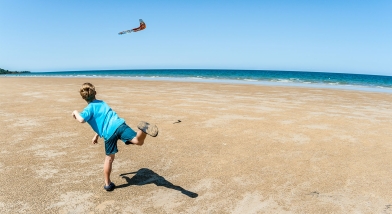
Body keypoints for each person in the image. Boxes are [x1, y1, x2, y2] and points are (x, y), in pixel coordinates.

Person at [72, 82, 158, 191]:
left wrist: (75, 112)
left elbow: (81, 120)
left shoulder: (88, 109)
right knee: (138, 141)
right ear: (95, 93)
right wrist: (96, 136)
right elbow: (103, 120)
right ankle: (143, 130)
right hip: (119, 124)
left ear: (83, 97)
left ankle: (107, 184)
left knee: (109, 158)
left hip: (109, 134)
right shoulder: (102, 103)